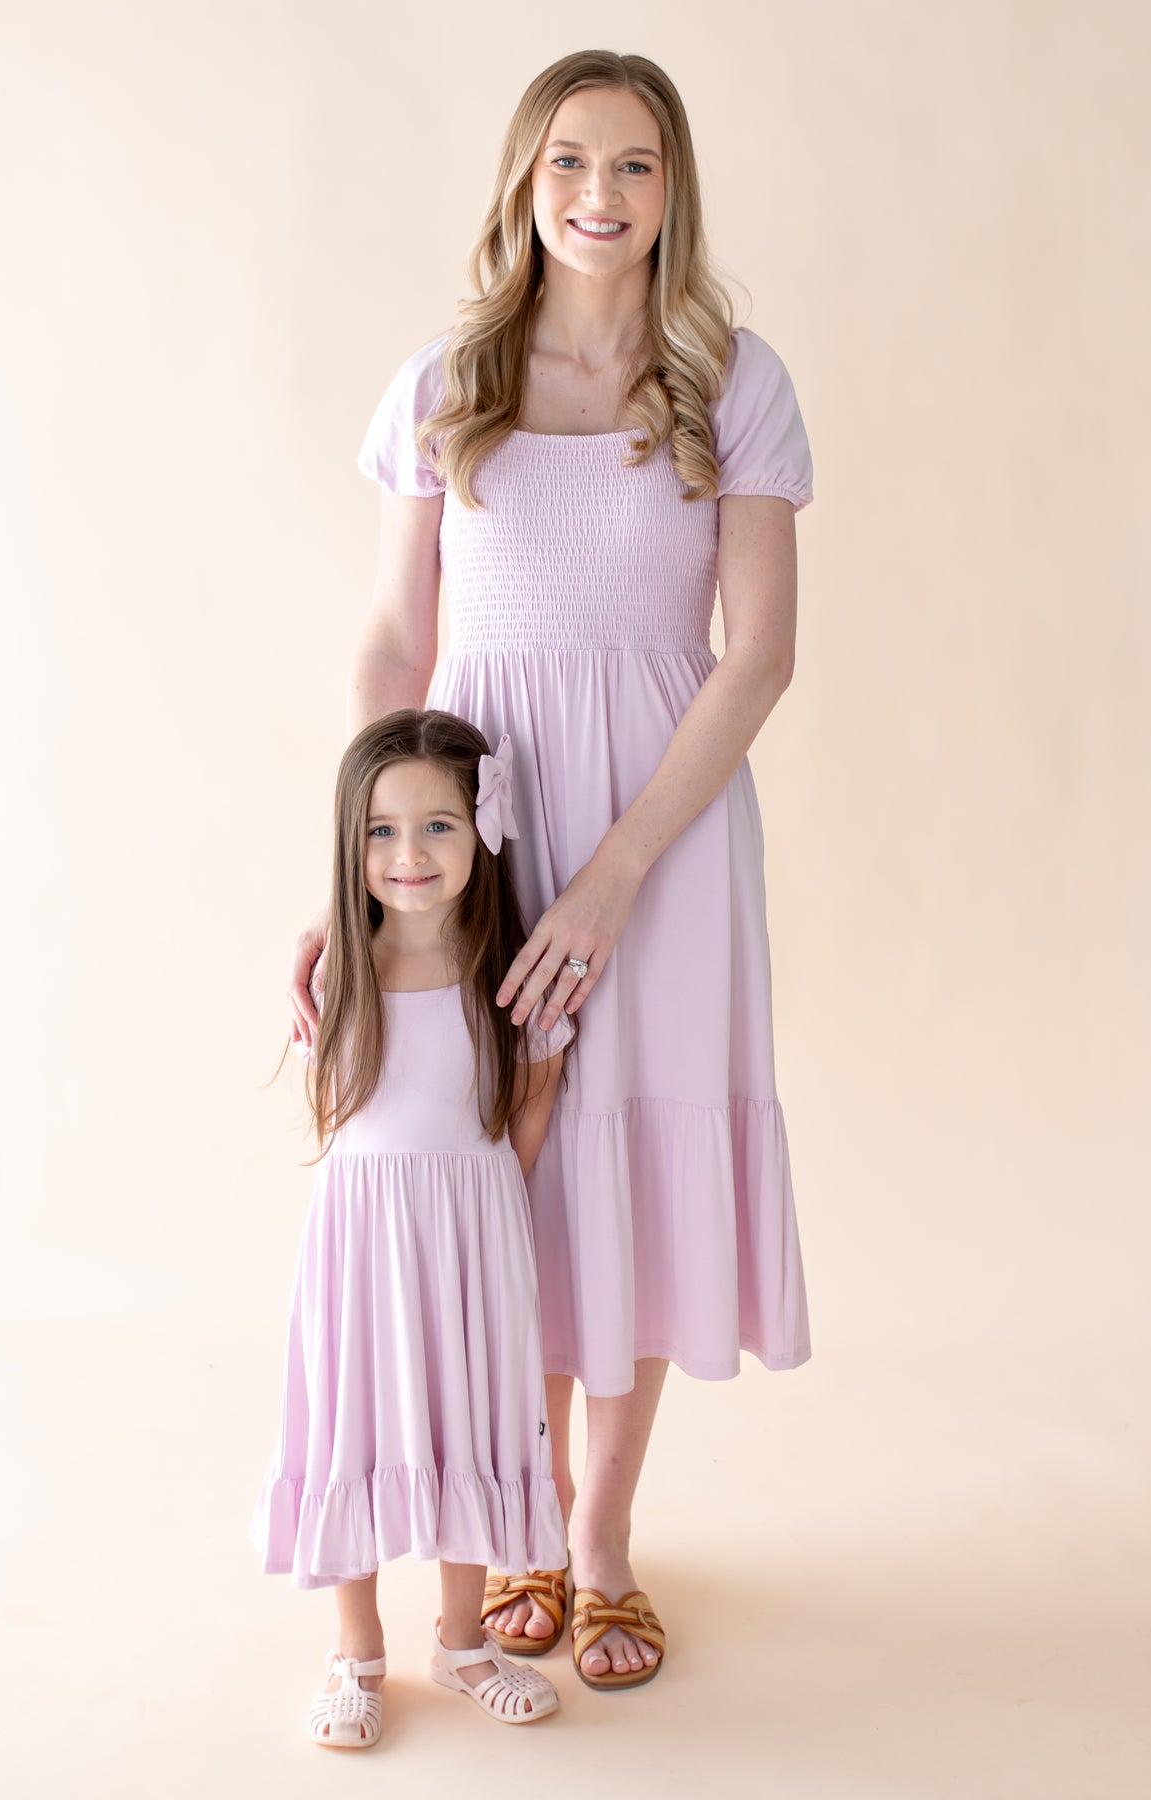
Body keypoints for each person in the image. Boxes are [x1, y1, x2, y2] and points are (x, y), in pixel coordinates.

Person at [288, 49, 813, 1692]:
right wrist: (368, 877)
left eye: (637, 165)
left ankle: (596, 1546)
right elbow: (397, 638)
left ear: (676, 188)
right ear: (524, 182)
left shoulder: (736, 380)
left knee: (632, 1175)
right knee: (491, 1171)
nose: (602, 194)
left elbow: (758, 657)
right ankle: (509, 1524)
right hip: (477, 827)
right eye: (571, 161)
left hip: (664, 831)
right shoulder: (446, 383)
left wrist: (614, 876)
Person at [253, 709, 577, 1748]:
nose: (410, 854)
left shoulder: (511, 975)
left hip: (474, 1244)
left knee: (466, 1428)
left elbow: (530, 1105)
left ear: (484, 829)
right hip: (361, 1251)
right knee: (358, 1428)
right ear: (352, 846)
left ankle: (462, 1640)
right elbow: (345, 1115)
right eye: (383, 831)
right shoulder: (335, 977)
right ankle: (357, 1654)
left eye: (438, 824)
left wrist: (483, 1217)